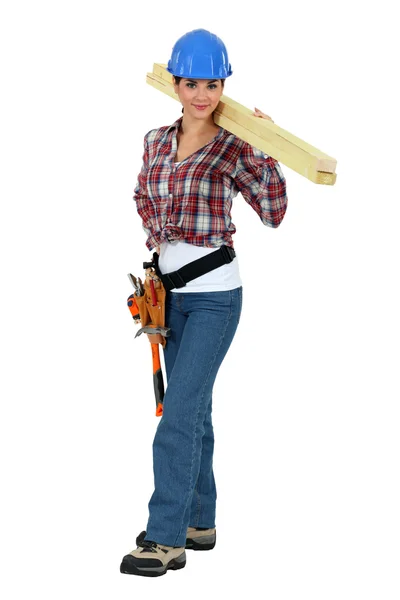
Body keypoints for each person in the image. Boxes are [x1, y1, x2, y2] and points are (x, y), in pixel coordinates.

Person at [120, 28, 288, 577]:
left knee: (179, 416)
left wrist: (266, 149)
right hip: (170, 300)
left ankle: (165, 539)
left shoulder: (237, 145)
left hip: (215, 298)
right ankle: (199, 519)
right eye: (191, 83)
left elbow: (273, 212)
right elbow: (144, 196)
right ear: (175, 82)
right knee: (196, 412)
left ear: (223, 85)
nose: (201, 95)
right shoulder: (154, 141)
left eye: (212, 83)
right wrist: (161, 242)